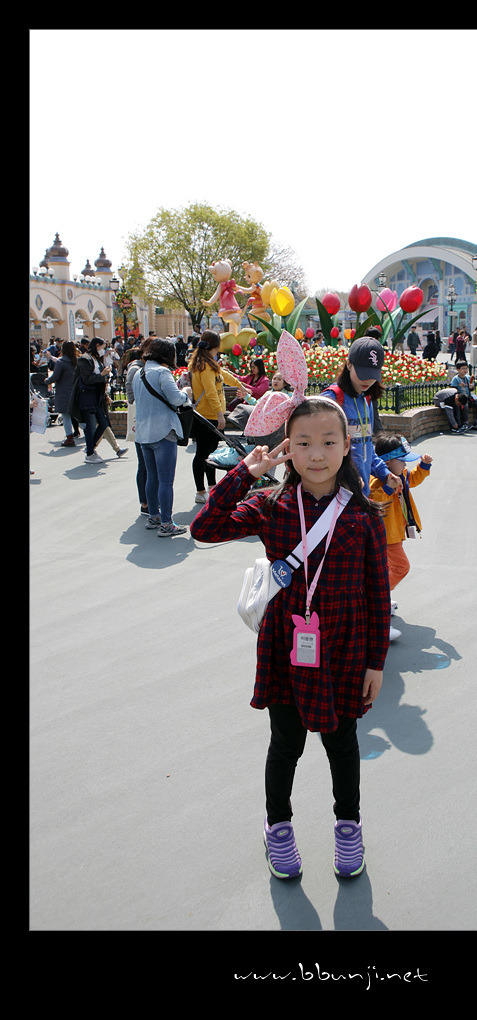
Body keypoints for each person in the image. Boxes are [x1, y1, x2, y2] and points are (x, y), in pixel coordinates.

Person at [190, 394, 391, 880]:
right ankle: (277, 826)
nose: (316, 454)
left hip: (344, 648)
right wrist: (246, 473)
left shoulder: (364, 515)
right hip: (286, 647)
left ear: (347, 445)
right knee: (286, 744)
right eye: (303, 443)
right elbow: (203, 528)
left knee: (342, 744)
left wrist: (376, 662)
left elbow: (378, 595)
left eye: (328, 442)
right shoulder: (271, 505)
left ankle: (348, 826)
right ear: (288, 447)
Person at [320, 336, 402, 497]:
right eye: (363, 373)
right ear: (348, 364)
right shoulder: (332, 399)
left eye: (373, 374)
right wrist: (346, 477)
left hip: (361, 493)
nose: (368, 380)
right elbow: (319, 449)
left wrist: (385, 474)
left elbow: (367, 447)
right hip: (335, 494)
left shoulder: (366, 400)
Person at [371, 433, 432, 628]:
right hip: (386, 536)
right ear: (387, 462)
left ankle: (379, 597)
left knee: (385, 568)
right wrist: (388, 488)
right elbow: (374, 500)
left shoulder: (401, 474)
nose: (405, 464)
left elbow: (413, 479)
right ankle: (377, 599)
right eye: (402, 460)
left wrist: (423, 466)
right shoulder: (377, 480)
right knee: (401, 567)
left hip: (394, 532)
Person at [133, 338, 191, 536]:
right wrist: (186, 393)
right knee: (166, 481)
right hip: (164, 431)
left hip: (143, 433)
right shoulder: (162, 372)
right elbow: (176, 399)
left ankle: (154, 516)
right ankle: (167, 523)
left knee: (152, 477)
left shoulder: (138, 373)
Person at [187, 330, 247, 503]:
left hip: (211, 415)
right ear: (216, 346)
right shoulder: (204, 366)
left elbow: (224, 375)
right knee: (202, 454)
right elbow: (211, 393)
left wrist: (240, 384)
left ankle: (212, 487)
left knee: (210, 453)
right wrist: (220, 415)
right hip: (206, 417)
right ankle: (200, 491)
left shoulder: (208, 363)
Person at [72, 338, 116, 464]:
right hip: (87, 397)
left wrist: (105, 392)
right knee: (91, 426)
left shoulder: (96, 359)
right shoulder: (85, 359)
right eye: (102, 347)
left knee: (104, 423)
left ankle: (90, 448)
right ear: (97, 345)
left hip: (97, 397)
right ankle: (90, 453)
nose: (103, 350)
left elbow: (99, 378)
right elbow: (86, 379)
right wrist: (101, 375)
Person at [126, 340, 153, 515]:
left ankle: (148, 501)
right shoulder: (136, 369)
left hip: (145, 421)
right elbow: (131, 397)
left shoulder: (141, 367)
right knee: (144, 464)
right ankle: (144, 502)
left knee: (147, 464)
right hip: (141, 421)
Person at [44, 340, 78, 446]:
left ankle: (69, 438)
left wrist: (46, 381)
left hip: (64, 392)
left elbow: (55, 377)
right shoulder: (77, 361)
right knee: (79, 416)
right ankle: (91, 434)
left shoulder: (61, 362)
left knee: (66, 416)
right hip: (77, 391)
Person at [448, 360, 477, 430]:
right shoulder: (456, 379)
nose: (465, 370)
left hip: (470, 396)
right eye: (463, 368)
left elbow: (472, 388)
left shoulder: (468, 378)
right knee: (465, 405)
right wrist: (459, 387)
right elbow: (453, 390)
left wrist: (471, 387)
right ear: (458, 369)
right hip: (462, 398)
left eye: (466, 368)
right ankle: (465, 423)